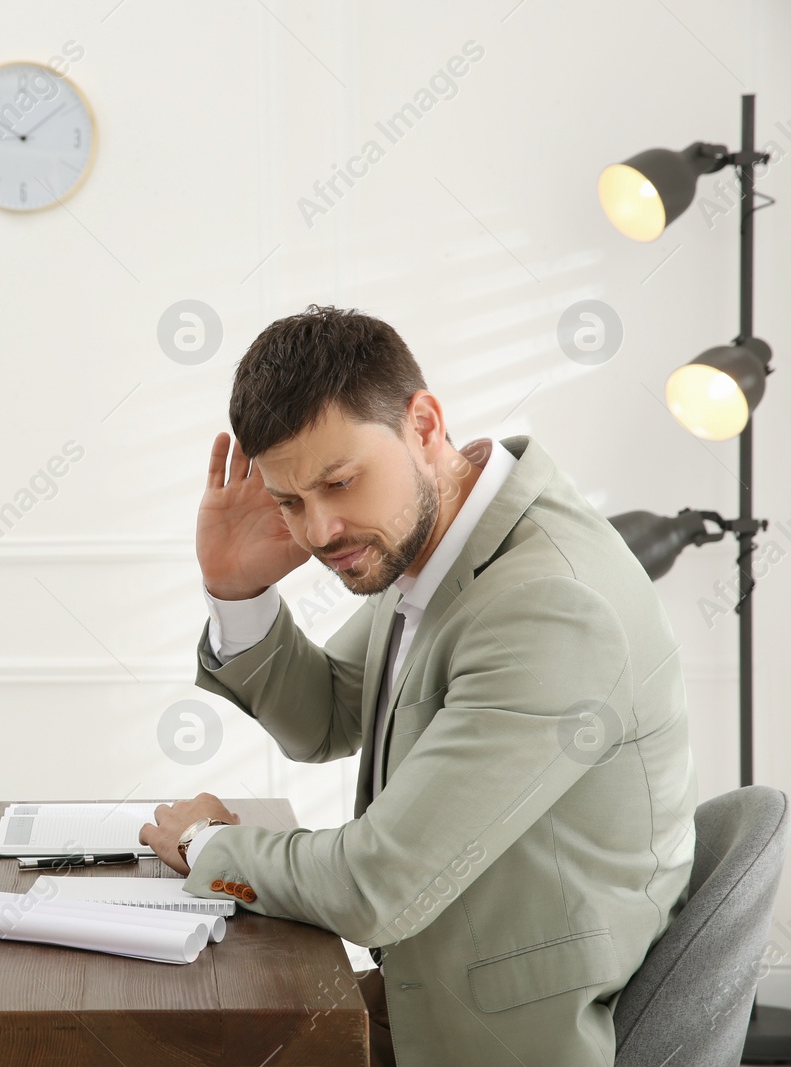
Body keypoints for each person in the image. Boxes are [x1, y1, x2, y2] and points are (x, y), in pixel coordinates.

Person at [138, 305, 696, 1067]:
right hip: (423, 993)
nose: (321, 530)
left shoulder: (544, 603)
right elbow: (326, 716)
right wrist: (236, 591)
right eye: (291, 502)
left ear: (424, 424)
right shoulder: (452, 542)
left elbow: (377, 884)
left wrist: (208, 844)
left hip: (498, 1037)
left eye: (340, 481)